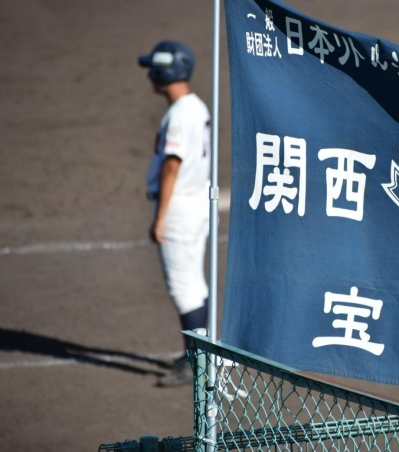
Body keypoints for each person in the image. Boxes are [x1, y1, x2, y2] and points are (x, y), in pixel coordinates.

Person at [138, 41, 211, 386]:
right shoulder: (196, 106)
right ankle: (203, 356)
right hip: (197, 204)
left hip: (179, 208)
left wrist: (160, 217)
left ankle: (197, 364)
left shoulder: (181, 112)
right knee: (195, 284)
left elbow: (172, 165)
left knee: (184, 289)